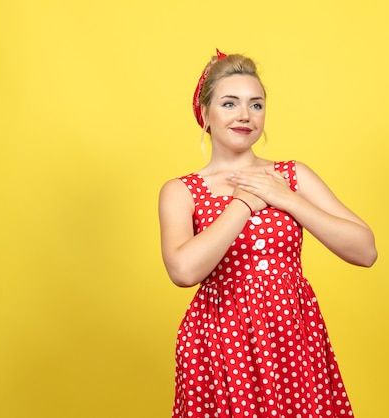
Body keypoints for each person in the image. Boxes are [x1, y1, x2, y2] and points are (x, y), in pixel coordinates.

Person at [158, 49, 377, 418]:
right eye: (230, 103)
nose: (245, 115)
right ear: (205, 114)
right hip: (221, 341)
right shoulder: (181, 190)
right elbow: (183, 271)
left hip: (292, 338)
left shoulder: (291, 176)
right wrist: (243, 203)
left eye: (255, 105)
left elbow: (365, 250)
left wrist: (286, 198)